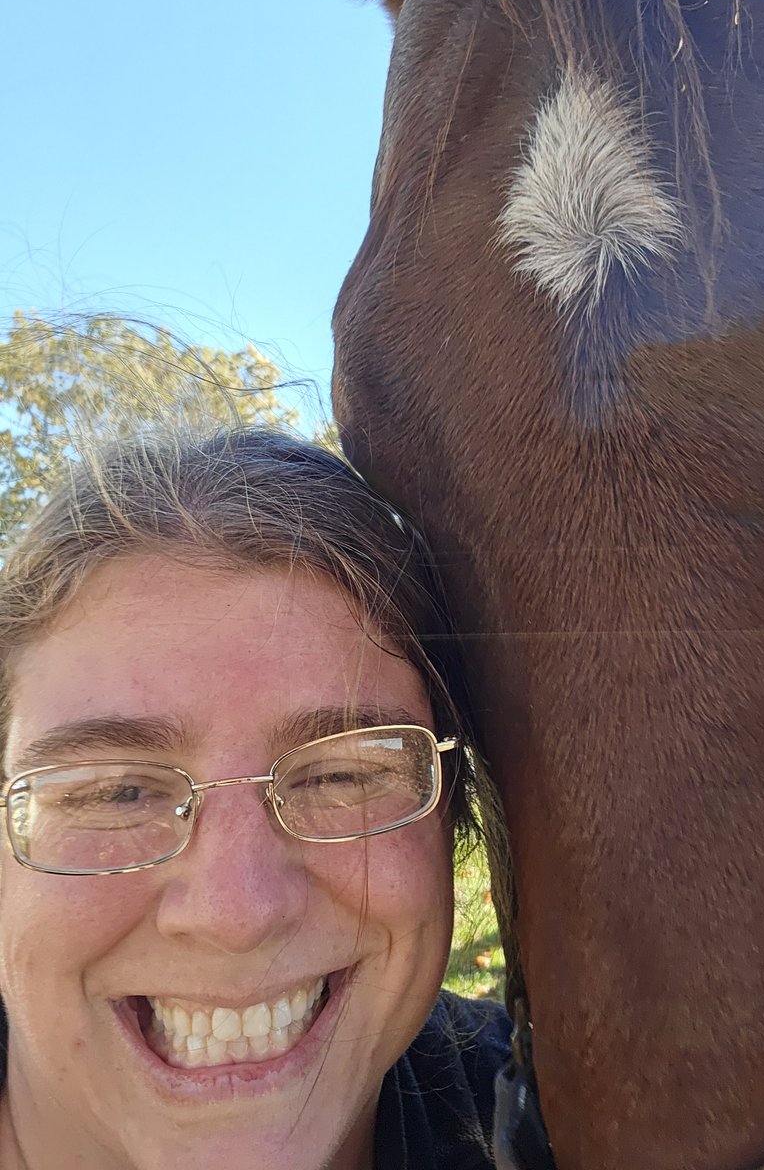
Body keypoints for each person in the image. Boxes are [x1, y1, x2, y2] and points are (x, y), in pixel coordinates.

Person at [0, 424, 511, 1170]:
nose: (236, 915)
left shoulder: (582, 1126)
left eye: (342, 777)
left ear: (451, 812)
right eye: (118, 792)